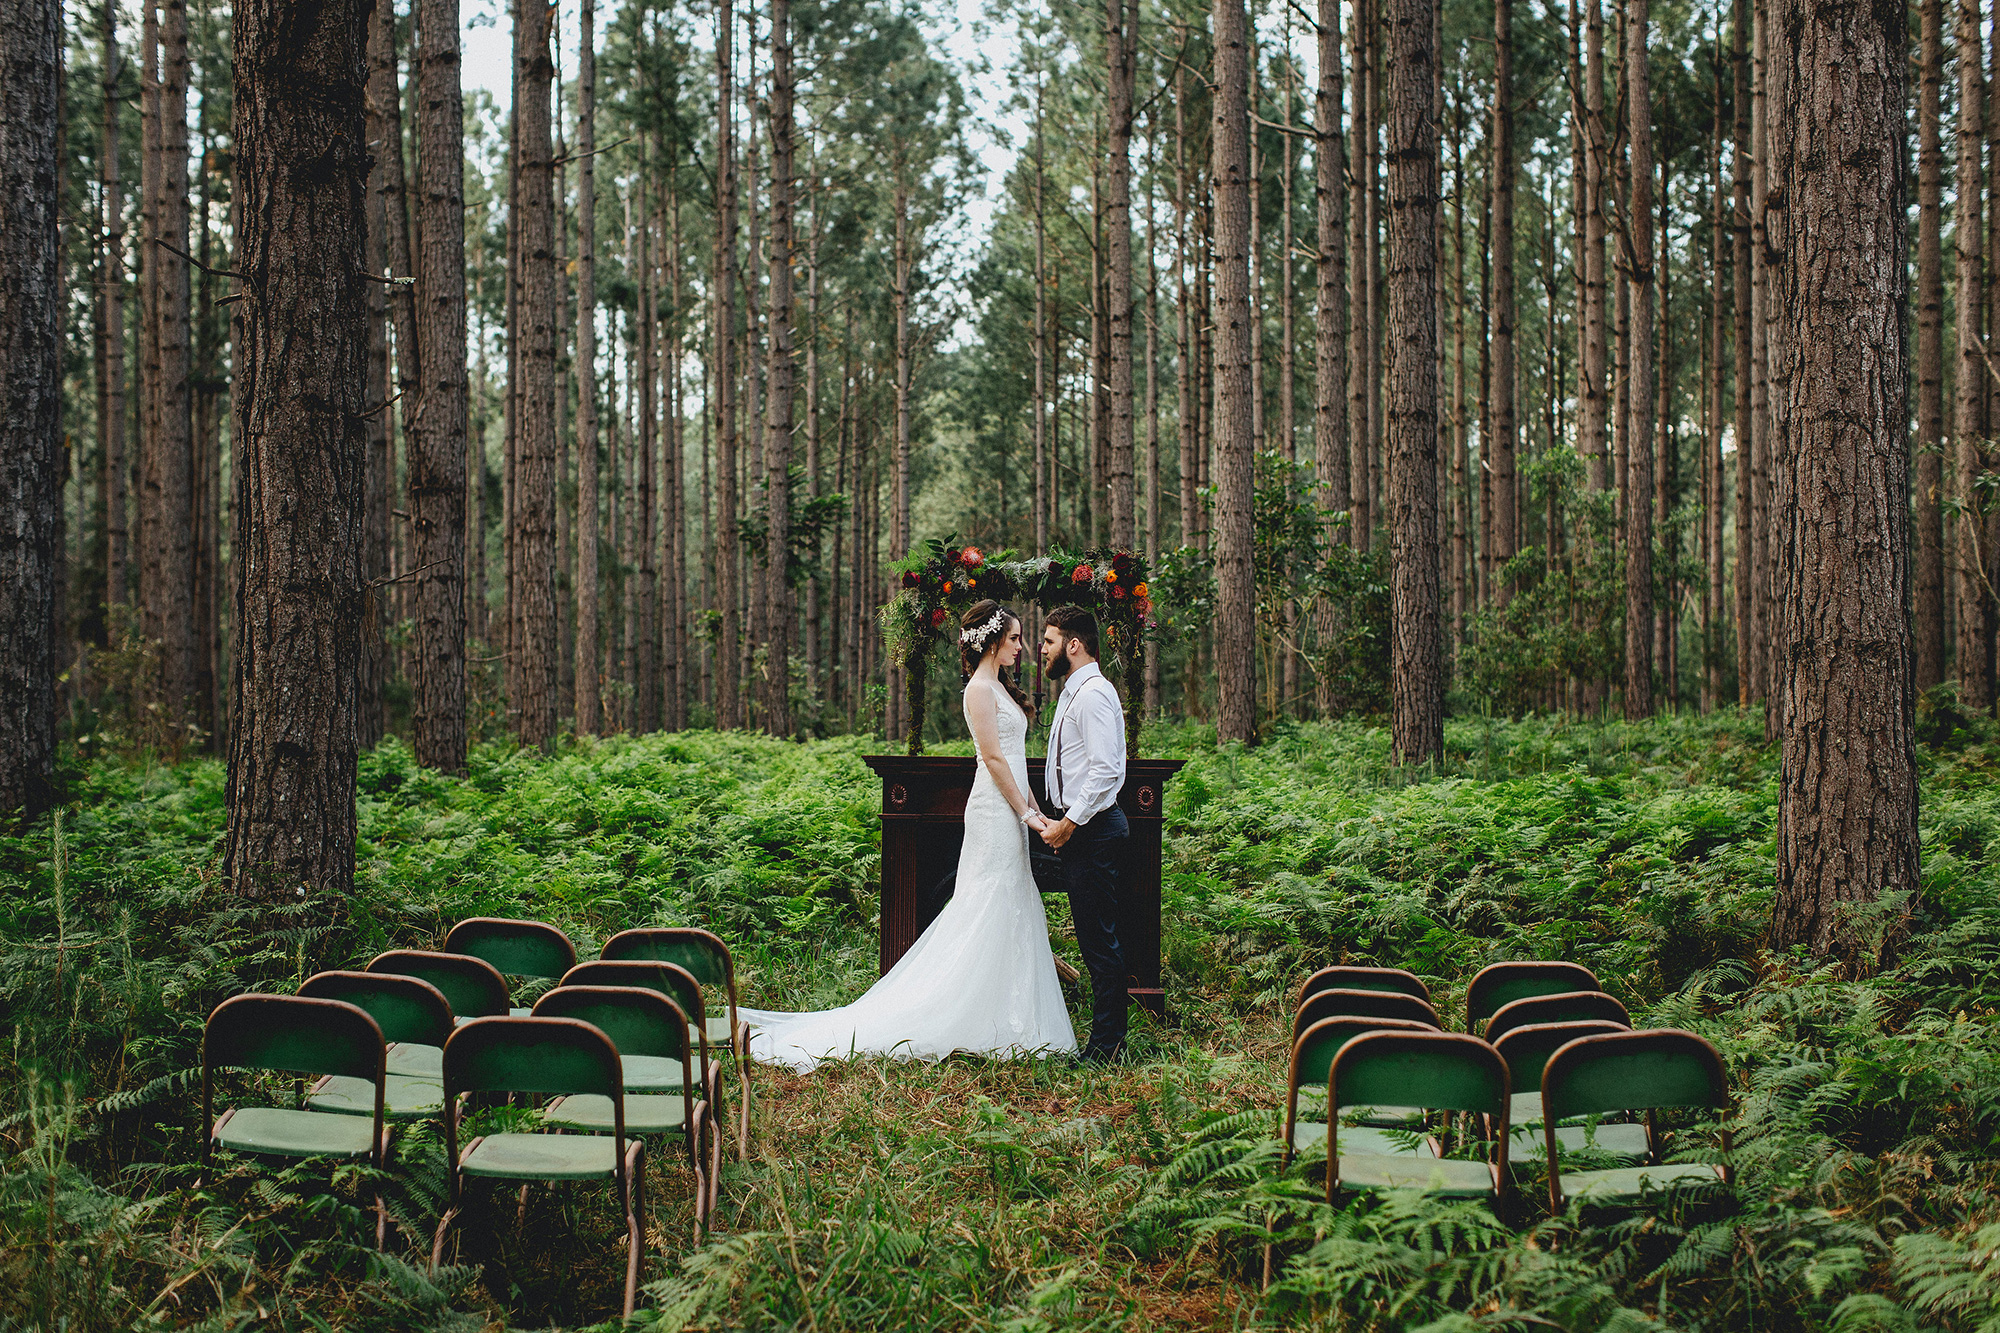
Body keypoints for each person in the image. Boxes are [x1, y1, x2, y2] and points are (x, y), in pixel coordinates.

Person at [740, 601, 1078, 1070]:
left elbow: (1016, 758)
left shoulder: (1000, 688)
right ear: (994, 640)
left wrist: (1033, 806)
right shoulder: (978, 690)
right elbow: (994, 760)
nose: (1022, 647)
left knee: (1012, 899)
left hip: (1013, 809)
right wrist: (1023, 811)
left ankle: (1007, 1015)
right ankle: (960, 1012)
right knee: (987, 902)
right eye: (1016, 638)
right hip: (993, 811)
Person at [1035, 606, 1130, 1064]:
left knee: (1099, 942)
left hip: (1090, 831)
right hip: (1075, 827)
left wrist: (1069, 822)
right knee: (1095, 938)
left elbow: (1106, 769)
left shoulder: (1092, 694)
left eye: (1049, 640)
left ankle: (1107, 1047)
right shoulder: (1075, 691)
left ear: (1073, 645)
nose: (1043, 649)